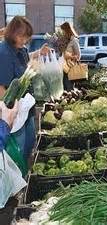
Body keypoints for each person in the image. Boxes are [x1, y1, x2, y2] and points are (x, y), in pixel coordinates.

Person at [0, 16, 49, 162]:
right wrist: (10, 114)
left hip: (26, 108)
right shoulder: (4, 53)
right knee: (19, 149)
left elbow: (26, 61)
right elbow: (1, 89)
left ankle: (23, 174)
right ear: (12, 33)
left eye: (27, 37)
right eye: (22, 36)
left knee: (29, 143)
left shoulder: (20, 49)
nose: (25, 40)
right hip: (14, 112)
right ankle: (19, 179)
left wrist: (38, 52)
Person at [60, 22, 81, 91]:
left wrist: (69, 56)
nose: (62, 32)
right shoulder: (64, 40)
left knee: (69, 88)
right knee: (63, 88)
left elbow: (78, 55)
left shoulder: (74, 40)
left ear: (67, 30)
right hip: (63, 67)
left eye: (63, 30)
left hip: (70, 68)